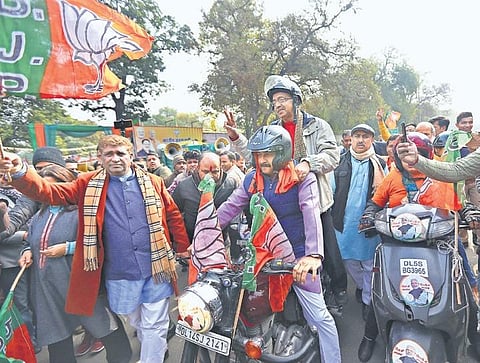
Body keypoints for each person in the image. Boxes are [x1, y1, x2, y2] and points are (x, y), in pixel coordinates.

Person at [0, 135, 190, 363]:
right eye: (109, 154)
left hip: (156, 266)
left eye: (120, 153)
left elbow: (171, 214)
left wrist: (182, 247)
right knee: (137, 321)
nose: (115, 158)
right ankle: (151, 346)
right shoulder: (88, 183)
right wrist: (20, 170)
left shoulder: (154, 182)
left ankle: (152, 358)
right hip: (119, 271)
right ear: (100, 157)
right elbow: (51, 193)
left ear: (130, 156)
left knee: (154, 324)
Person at [217, 125, 341, 362]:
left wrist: (313, 256)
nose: (262, 160)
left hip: (299, 259)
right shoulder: (252, 179)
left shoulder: (302, 178)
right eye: (259, 154)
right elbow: (229, 208)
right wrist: (204, 234)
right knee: (239, 312)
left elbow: (311, 213)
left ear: (282, 152)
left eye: (268, 154)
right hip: (264, 259)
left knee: (320, 317)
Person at [224, 74, 348, 306]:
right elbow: (255, 155)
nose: (278, 105)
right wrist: (235, 137)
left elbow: (333, 155)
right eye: (275, 101)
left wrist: (308, 163)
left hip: (314, 199)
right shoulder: (271, 129)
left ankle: (338, 292)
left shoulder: (317, 126)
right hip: (280, 204)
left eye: (283, 99)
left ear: (296, 100)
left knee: (326, 250)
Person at [357, 132, 479, 361]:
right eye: (405, 157)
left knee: (464, 293)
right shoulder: (392, 178)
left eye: (419, 155)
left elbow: (458, 206)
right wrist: (368, 216)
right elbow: (375, 203)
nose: (411, 162)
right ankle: (370, 336)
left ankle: (474, 335)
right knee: (379, 295)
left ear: (427, 156)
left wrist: (469, 213)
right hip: (397, 248)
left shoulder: (442, 177)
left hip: (440, 248)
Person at [18, 164, 131, 363]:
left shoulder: (82, 213)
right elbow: (31, 239)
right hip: (47, 287)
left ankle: (121, 357)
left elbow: (102, 241)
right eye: (47, 188)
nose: (51, 193)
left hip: (78, 282)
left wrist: (68, 248)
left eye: (56, 188)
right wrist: (27, 251)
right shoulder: (39, 216)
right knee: (55, 330)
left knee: (102, 323)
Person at [331, 123, 387, 320]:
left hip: (369, 223)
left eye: (365, 136)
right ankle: (363, 286)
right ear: (351, 139)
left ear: (372, 140)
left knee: (370, 263)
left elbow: (385, 192)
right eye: (357, 136)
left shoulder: (380, 163)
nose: (361, 140)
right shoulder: (339, 161)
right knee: (348, 261)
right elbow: (331, 191)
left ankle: (367, 300)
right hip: (343, 224)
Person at [172, 151, 237, 243]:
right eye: (205, 172)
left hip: (221, 242)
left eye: (215, 172)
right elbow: (174, 215)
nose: (210, 176)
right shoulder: (183, 186)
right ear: (198, 168)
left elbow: (236, 212)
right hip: (192, 243)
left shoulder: (230, 184)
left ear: (221, 169)